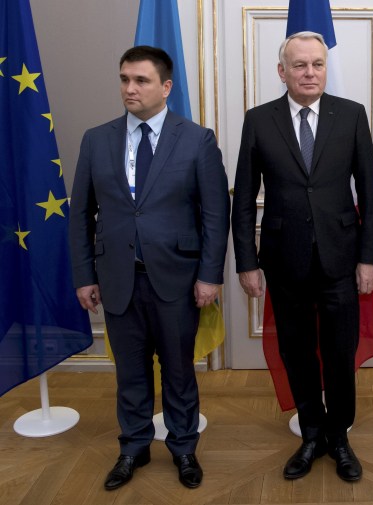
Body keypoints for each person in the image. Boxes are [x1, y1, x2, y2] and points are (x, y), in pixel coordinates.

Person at [69, 46, 230, 491]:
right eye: (124, 79)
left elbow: (215, 215)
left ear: (165, 86)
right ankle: (133, 447)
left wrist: (210, 275)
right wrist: (84, 275)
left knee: (179, 370)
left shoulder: (197, 139)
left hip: (177, 279)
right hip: (117, 278)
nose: (129, 89)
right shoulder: (96, 139)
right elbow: (80, 213)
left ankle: (183, 448)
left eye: (140, 80)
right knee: (131, 371)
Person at [231, 31, 373, 482]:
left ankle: (340, 436)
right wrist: (246, 261)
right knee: (296, 351)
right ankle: (311, 433)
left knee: (339, 351)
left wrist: (369, 257)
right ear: (283, 72)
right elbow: (243, 199)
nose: (310, 72)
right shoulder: (259, 120)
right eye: (300, 65)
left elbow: (369, 194)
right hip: (283, 259)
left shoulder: (351, 115)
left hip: (341, 257)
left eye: (317, 64)